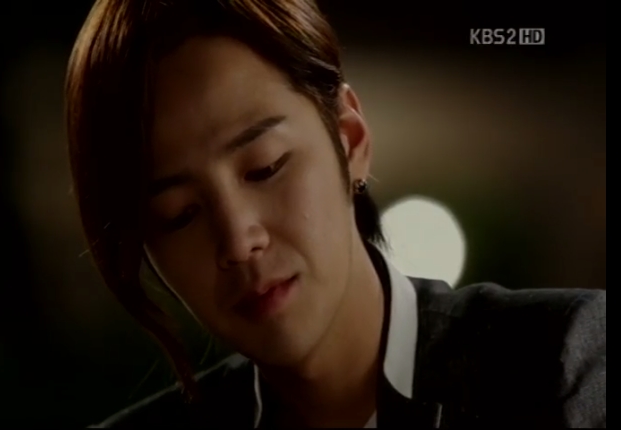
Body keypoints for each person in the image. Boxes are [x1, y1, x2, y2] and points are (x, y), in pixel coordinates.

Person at [65, 0, 607, 428]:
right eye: (179, 213)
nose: (238, 241)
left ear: (349, 139)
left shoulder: (561, 362)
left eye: (265, 167)